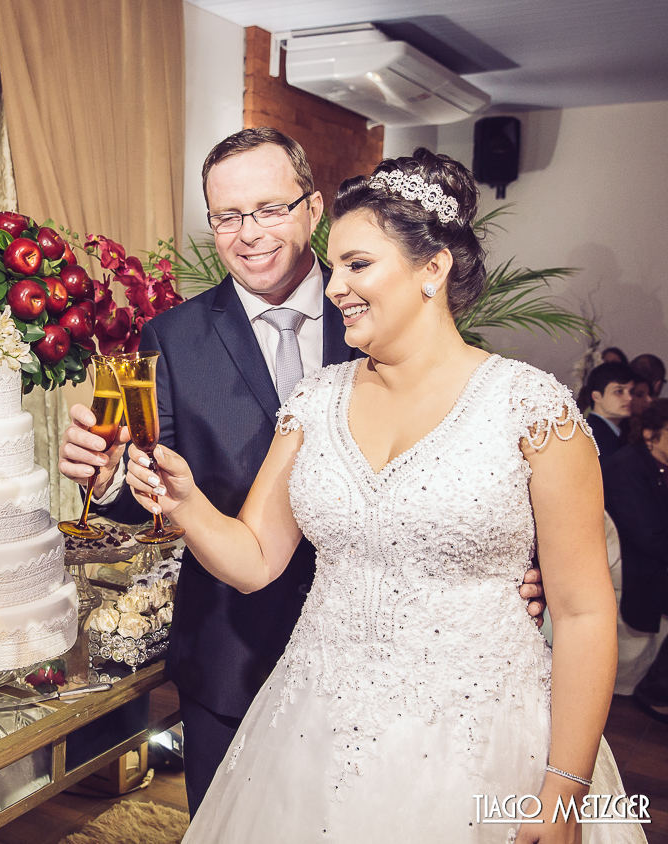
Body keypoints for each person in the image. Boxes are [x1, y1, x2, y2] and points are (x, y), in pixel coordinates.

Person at [123, 150, 640, 842]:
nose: (335, 287)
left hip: (482, 735)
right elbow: (253, 559)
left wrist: (563, 789)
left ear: (433, 268)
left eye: (359, 265)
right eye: (335, 267)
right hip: (313, 730)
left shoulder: (529, 410)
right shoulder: (315, 402)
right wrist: (183, 501)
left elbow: (581, 613)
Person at [57, 129, 547, 817]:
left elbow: (472, 465)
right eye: (227, 216)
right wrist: (111, 478)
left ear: (312, 207)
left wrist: (512, 567)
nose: (247, 233)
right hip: (233, 653)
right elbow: (155, 486)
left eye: (268, 208)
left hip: (420, 679)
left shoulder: (392, 311)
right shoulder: (173, 337)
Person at [602, 399, 668, 724]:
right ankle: (655, 690)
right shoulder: (626, 467)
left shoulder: (659, 465)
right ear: (649, 434)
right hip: (631, 564)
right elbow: (647, 536)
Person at [578, 361, 637, 460]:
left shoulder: (617, 431)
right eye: (619, 391)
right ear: (596, 396)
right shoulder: (595, 436)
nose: (629, 398)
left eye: (631, 391)